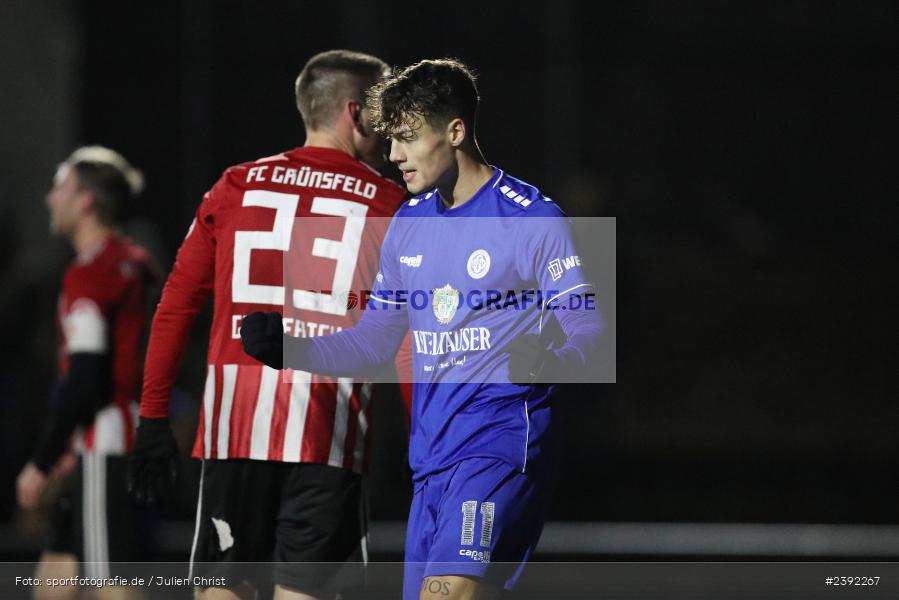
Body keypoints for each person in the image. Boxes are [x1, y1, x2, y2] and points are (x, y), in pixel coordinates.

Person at [241, 59, 604, 600]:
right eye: (390, 140)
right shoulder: (409, 225)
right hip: (431, 463)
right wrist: (289, 348)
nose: (393, 156)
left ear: (455, 131)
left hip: (497, 450)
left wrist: (550, 360)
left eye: (408, 139)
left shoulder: (530, 218)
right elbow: (372, 342)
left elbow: (588, 329)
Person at [128, 49, 410, 600]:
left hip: (236, 428)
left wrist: (154, 418)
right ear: (354, 113)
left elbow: (177, 304)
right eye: (382, 111)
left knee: (222, 592)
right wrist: (425, 443)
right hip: (327, 432)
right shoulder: (392, 203)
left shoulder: (235, 186)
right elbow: (406, 340)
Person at [16, 146, 159, 600]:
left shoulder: (93, 273)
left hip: (105, 443)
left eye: (60, 188)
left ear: (86, 201)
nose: (48, 200)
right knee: (56, 573)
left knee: (112, 583)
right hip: (113, 439)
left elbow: (84, 378)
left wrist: (41, 462)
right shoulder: (130, 260)